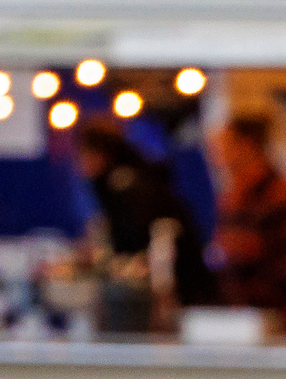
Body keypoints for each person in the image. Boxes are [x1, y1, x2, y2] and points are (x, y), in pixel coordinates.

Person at [72, 121, 218, 308]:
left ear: (99, 154)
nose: (80, 165)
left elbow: (136, 242)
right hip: (176, 284)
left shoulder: (127, 183)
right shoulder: (129, 177)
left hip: (174, 287)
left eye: (82, 155)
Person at [209, 115, 286, 332]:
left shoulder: (278, 196)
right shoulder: (236, 197)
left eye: (222, 146)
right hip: (251, 326)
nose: (216, 156)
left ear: (246, 145)